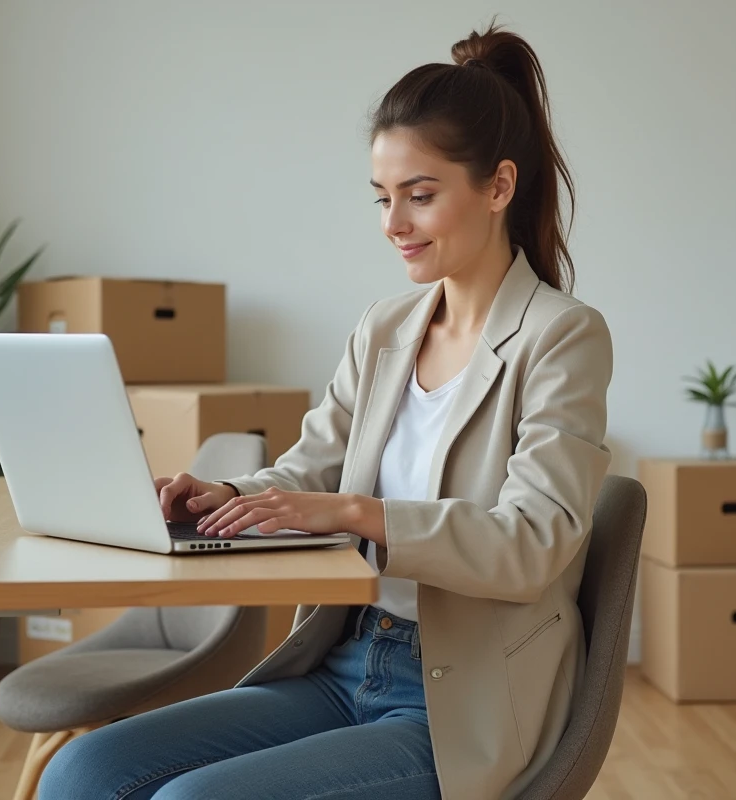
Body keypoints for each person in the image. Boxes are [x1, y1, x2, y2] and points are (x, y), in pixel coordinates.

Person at [38, 20, 612, 800]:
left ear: (499, 186)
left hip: (460, 702)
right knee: (82, 770)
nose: (393, 224)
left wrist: (356, 512)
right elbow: (309, 466)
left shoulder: (562, 336)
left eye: (420, 195)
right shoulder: (384, 329)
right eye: (382, 197)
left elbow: (534, 544)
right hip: (343, 662)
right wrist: (232, 495)